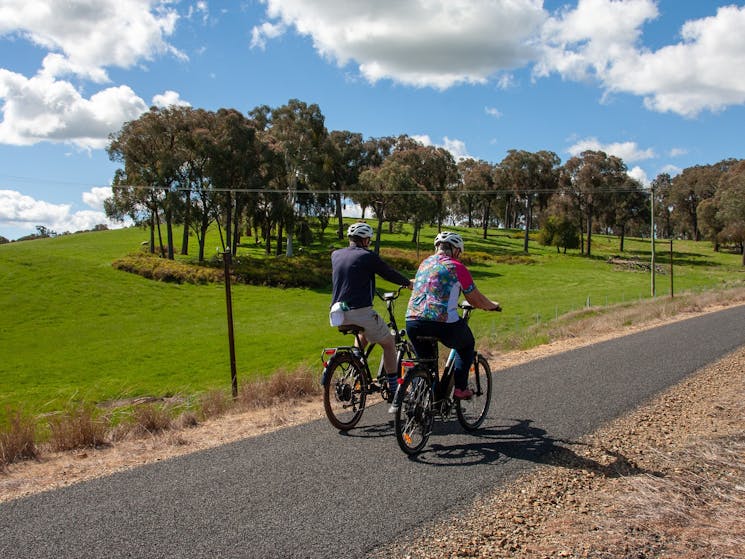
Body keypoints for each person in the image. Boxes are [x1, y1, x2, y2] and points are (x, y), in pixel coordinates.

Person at [405, 231, 500, 400]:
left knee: (425, 363)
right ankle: (461, 389)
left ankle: (424, 400)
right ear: (456, 250)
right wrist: (492, 306)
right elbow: (475, 299)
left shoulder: (424, 264)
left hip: (413, 321)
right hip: (442, 323)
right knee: (466, 344)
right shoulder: (457, 267)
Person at [330, 222, 412, 400]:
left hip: (337, 314)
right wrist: (408, 283)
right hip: (360, 311)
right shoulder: (367, 256)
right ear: (365, 240)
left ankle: (356, 366)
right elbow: (388, 273)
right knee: (389, 343)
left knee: (364, 333)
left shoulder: (335, 255)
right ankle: (393, 388)